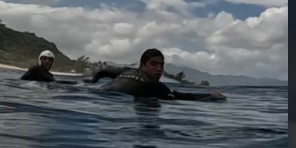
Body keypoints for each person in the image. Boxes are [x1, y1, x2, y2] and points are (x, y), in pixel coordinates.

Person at [89, 48, 226, 101]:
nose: (159, 69)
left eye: (161, 65)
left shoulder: (125, 71)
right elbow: (182, 96)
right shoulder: (153, 85)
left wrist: (91, 82)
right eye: (154, 64)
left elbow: (103, 71)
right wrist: (210, 96)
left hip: (100, 95)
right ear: (142, 65)